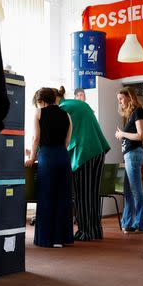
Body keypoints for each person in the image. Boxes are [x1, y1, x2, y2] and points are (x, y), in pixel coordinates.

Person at [57, 87, 110, 241]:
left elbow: (62, 135)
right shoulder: (79, 104)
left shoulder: (63, 108)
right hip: (98, 150)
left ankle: (85, 232)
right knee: (92, 194)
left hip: (84, 153)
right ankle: (95, 230)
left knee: (82, 195)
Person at [25, 88, 74, 248]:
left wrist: (32, 157)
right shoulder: (66, 115)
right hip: (63, 156)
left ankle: (46, 239)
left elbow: (36, 138)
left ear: (41, 101)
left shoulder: (39, 113)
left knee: (46, 196)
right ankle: (60, 239)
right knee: (62, 198)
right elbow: (67, 141)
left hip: (47, 156)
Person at [114, 87, 143, 233]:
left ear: (130, 97)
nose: (120, 102)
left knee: (136, 191)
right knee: (128, 192)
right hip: (130, 154)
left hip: (133, 154)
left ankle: (139, 224)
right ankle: (127, 223)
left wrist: (123, 134)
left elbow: (141, 135)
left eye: (121, 98)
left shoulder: (138, 112)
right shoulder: (132, 114)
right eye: (119, 100)